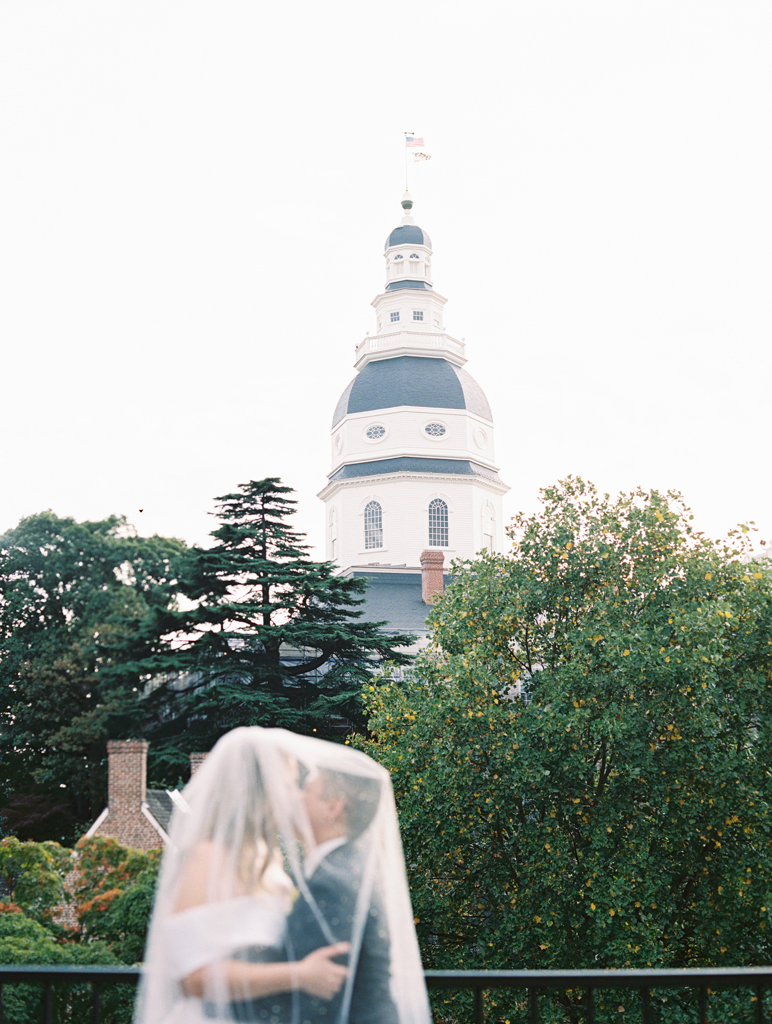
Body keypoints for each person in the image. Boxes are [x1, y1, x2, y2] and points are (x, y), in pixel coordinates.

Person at [135, 728, 431, 1024]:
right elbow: (192, 978)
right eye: (289, 785)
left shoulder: (271, 860)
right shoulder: (208, 857)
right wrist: (298, 975)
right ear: (259, 793)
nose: (296, 796)